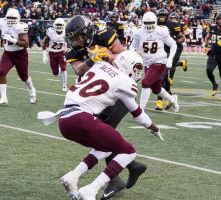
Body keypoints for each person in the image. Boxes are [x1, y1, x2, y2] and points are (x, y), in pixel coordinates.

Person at [38, 51, 162, 200]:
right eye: (136, 68)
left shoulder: (100, 65)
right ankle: (91, 189)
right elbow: (138, 115)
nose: (136, 72)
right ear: (128, 65)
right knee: (129, 151)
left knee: (106, 147)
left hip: (64, 119)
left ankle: (73, 176)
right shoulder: (125, 81)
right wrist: (153, 127)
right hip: (81, 118)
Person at [65, 15, 147, 200]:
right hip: (101, 95)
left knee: (105, 132)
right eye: (72, 39)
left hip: (121, 88)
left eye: (77, 37)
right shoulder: (73, 52)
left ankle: (115, 179)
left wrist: (107, 56)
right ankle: (132, 167)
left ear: (86, 32)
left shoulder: (104, 35)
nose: (75, 42)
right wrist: (91, 60)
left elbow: (124, 56)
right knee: (100, 135)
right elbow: (78, 70)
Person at [130, 12, 179, 112]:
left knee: (145, 82)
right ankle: (173, 100)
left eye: (151, 22)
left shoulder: (161, 31)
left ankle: (141, 110)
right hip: (147, 63)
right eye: (146, 23)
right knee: (156, 89)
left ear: (155, 22)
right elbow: (132, 46)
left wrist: (170, 59)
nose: (149, 25)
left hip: (159, 62)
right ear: (143, 23)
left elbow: (173, 45)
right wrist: (132, 56)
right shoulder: (139, 32)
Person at [0, 8, 36, 105]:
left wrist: (13, 40)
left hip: (20, 54)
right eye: (9, 17)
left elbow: (26, 44)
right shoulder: (2, 23)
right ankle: (3, 98)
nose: (11, 20)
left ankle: (32, 89)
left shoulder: (21, 27)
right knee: (1, 72)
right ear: (6, 17)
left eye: (13, 18)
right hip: (8, 53)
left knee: (24, 77)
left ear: (18, 18)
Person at [155, 10, 186, 111]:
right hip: (159, 53)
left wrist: (173, 43)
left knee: (161, 76)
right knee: (163, 78)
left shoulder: (172, 25)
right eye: (160, 16)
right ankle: (171, 98)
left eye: (164, 15)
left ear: (167, 16)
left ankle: (159, 101)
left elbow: (182, 38)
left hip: (171, 53)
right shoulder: (154, 25)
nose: (162, 17)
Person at [42, 18, 67, 92]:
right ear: (54, 25)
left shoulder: (66, 32)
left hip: (61, 52)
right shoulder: (51, 32)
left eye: (60, 25)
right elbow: (45, 42)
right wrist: (44, 53)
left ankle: (64, 85)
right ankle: (58, 70)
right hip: (52, 53)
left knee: (63, 68)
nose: (59, 27)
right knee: (55, 73)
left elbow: (70, 42)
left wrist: (68, 51)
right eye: (57, 25)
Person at [204, 12, 221, 98]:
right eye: (219, 19)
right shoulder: (212, 27)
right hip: (213, 53)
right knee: (208, 70)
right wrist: (206, 46)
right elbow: (207, 37)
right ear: (216, 20)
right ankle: (214, 83)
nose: (220, 21)